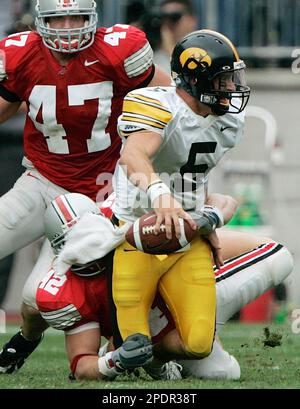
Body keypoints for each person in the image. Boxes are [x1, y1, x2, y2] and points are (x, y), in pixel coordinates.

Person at [0, 0, 171, 371]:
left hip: (100, 191)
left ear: (91, 18)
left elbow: (168, 99)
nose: (67, 26)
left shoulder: (118, 50)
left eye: (75, 16)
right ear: (40, 22)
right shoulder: (19, 54)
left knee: (36, 297)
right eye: (57, 18)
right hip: (42, 179)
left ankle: (24, 339)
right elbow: (5, 103)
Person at [29, 193, 294, 381]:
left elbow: (221, 199)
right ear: (62, 250)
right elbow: (81, 364)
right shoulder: (64, 290)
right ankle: (149, 354)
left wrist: (208, 220)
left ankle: (154, 356)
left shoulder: (128, 216)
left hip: (192, 286)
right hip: (158, 331)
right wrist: (113, 362)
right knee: (224, 373)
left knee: (278, 257)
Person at [109, 29, 251, 369]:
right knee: (131, 336)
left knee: (198, 343)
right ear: (196, 78)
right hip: (137, 230)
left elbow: (195, 173)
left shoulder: (228, 121)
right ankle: (121, 348)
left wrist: (204, 217)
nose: (232, 88)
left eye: (233, 79)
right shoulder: (156, 104)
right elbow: (133, 157)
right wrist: (161, 197)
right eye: (223, 80)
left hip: (188, 233)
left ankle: (150, 357)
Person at [154, 0, 198, 73]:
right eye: (164, 18)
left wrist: (172, 51)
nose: (168, 23)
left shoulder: (205, 53)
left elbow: (191, 80)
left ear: (192, 20)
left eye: (175, 17)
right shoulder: (151, 58)